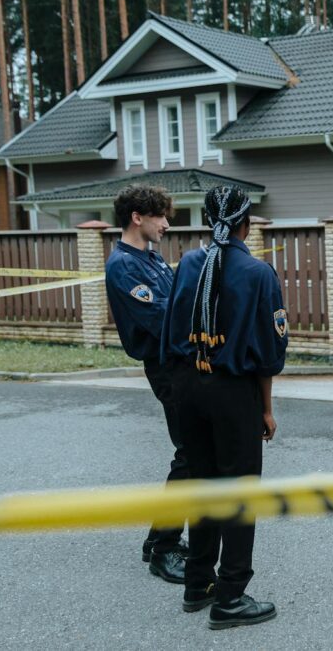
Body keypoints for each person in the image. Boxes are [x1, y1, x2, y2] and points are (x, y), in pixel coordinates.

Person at [161, 186, 287, 630]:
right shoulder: (258, 273)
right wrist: (266, 410)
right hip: (233, 392)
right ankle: (231, 596)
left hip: (187, 386)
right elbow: (269, 351)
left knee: (203, 485)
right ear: (246, 224)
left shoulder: (189, 263)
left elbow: (170, 330)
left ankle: (198, 583)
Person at [104, 184, 188, 584]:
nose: (166, 224)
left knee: (192, 453)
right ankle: (165, 549)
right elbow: (162, 318)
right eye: (161, 217)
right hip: (166, 367)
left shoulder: (150, 259)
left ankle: (157, 540)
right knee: (190, 454)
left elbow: (175, 302)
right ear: (138, 217)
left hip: (178, 364)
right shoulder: (123, 265)